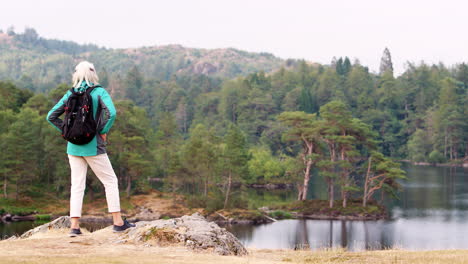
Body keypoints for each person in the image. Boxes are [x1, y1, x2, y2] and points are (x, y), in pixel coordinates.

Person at [47, 61, 135, 237]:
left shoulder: (70, 93)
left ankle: (74, 227)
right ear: (93, 73)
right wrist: (102, 131)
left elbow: (51, 116)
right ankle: (118, 222)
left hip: (73, 148)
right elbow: (112, 113)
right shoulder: (99, 92)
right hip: (93, 146)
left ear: (77, 75)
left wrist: (67, 132)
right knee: (110, 181)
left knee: (77, 185)